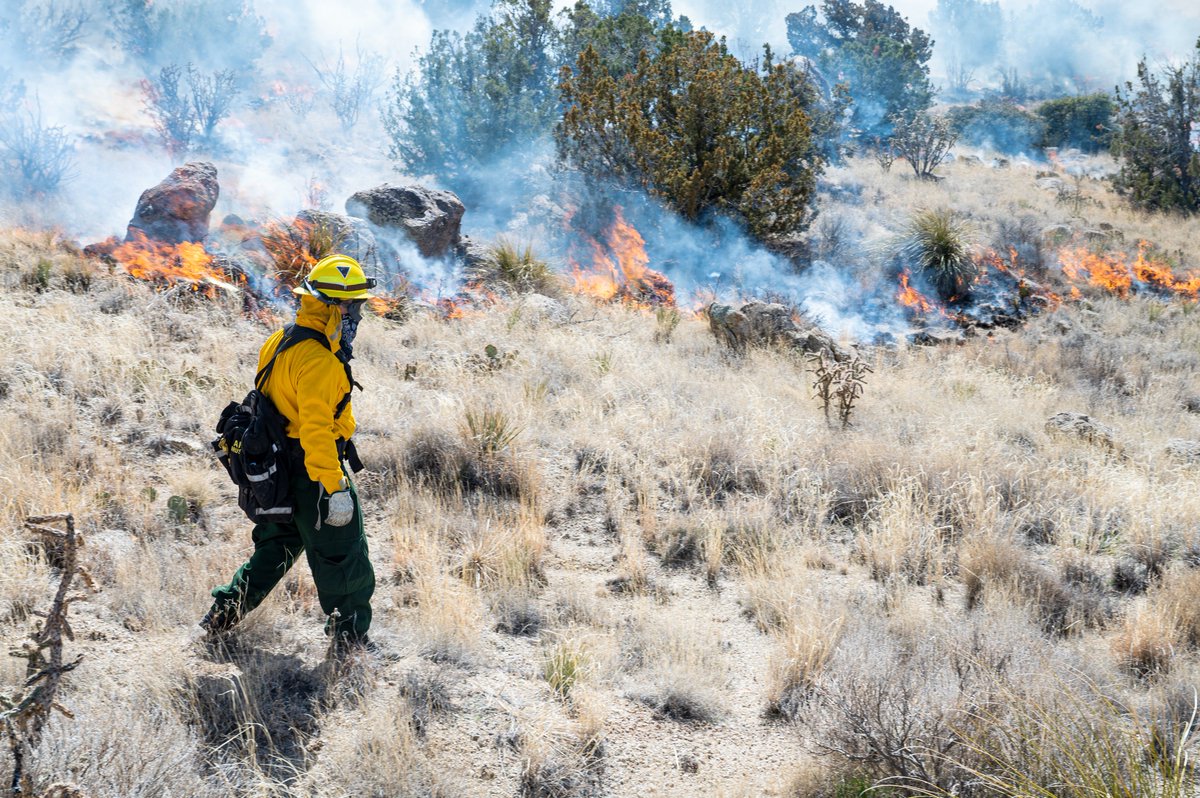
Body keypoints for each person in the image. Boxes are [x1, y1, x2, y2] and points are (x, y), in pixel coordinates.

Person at [202, 254, 376, 652]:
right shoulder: (320, 362)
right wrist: (334, 490)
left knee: (274, 550)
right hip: (311, 473)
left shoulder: (281, 340)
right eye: (355, 306)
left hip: (275, 469)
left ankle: (220, 617)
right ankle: (349, 642)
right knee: (344, 558)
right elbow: (316, 433)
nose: (359, 315)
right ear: (336, 307)